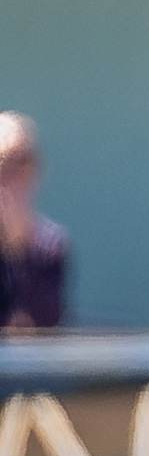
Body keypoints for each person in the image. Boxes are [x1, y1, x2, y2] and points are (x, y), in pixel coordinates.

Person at [0, 111, 70, 329]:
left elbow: (46, 321)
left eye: (24, 164)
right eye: (5, 166)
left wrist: (19, 247)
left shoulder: (50, 245)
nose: (13, 179)